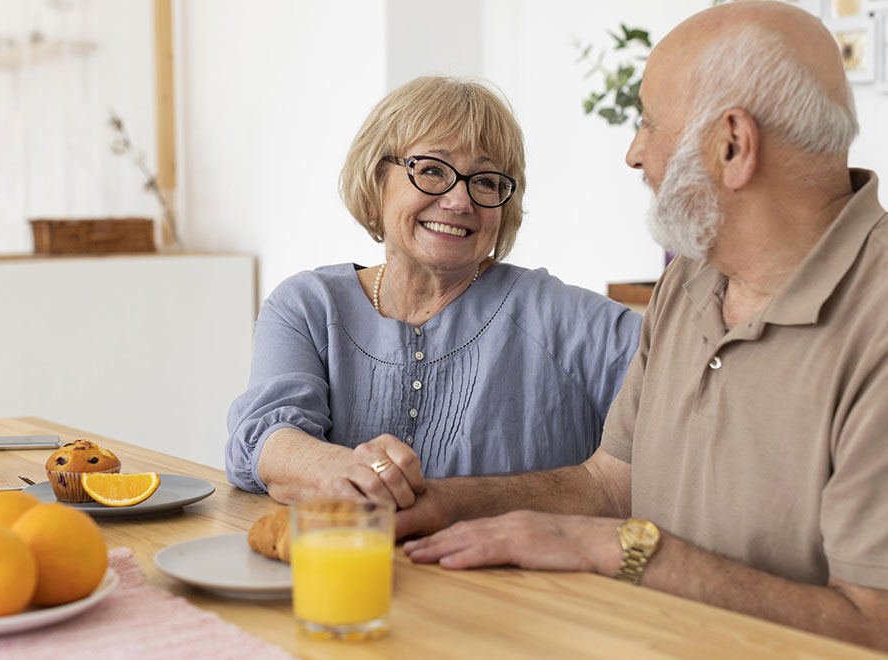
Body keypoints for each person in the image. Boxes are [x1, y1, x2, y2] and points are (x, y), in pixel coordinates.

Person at [398, 2, 888, 650]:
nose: (634, 153)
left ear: (732, 145)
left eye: (649, 124)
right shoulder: (691, 279)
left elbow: (873, 623)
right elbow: (609, 485)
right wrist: (442, 502)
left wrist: (618, 550)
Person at [225, 76, 641, 510]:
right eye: (431, 170)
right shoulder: (309, 306)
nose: (460, 201)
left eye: (485, 181)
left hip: (517, 579)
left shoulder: (561, 316)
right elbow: (266, 441)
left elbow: (687, 387)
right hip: (346, 572)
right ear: (375, 180)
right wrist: (347, 472)